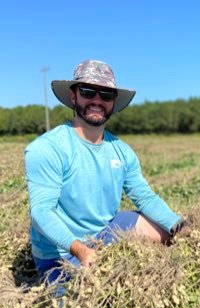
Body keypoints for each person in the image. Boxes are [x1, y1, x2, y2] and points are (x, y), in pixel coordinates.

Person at [25, 60, 183, 284]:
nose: (97, 100)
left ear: (113, 102)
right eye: (88, 92)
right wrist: (81, 251)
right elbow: (41, 212)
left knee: (169, 236)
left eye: (106, 94)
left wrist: (181, 228)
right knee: (89, 303)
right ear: (73, 97)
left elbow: (145, 197)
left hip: (106, 229)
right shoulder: (47, 148)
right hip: (61, 254)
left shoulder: (121, 151)